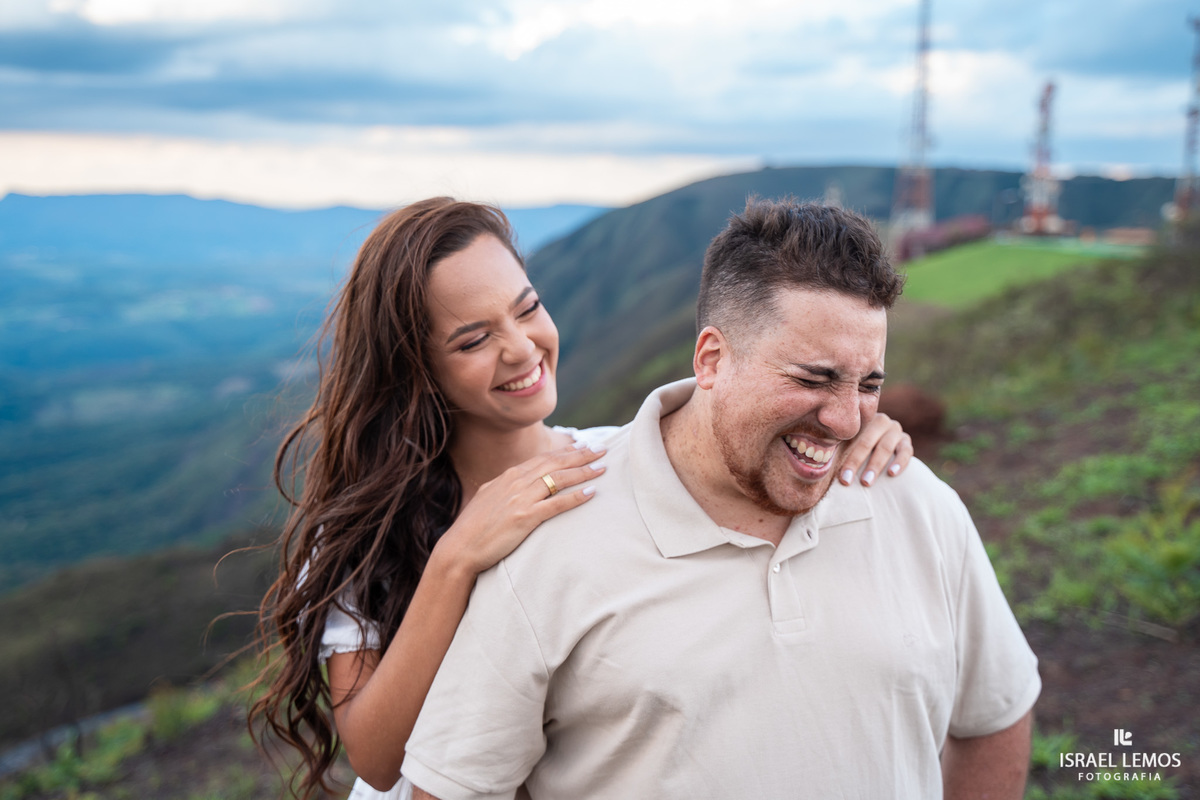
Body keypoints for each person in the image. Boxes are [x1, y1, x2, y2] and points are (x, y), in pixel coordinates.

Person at [249, 197, 914, 800]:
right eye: (473, 339)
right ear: (416, 370)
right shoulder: (369, 531)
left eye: (527, 307)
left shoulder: (614, 462)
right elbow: (375, 757)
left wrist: (843, 430)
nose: (521, 348)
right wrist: (455, 560)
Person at [404, 199, 1041, 800]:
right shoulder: (550, 538)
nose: (848, 420)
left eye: (867, 383)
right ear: (712, 358)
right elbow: (451, 786)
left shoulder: (918, 505)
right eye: (814, 378)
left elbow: (995, 714)